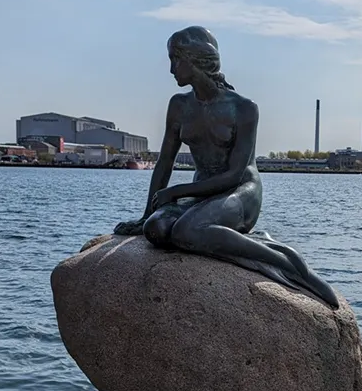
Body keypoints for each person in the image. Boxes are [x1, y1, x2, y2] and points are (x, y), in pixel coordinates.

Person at [114, 27, 338, 308]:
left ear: (197, 59)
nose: (171, 69)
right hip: (204, 194)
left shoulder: (243, 108)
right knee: (156, 228)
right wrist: (146, 214)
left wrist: (178, 192)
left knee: (187, 232)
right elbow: (165, 163)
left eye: (176, 59)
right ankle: (226, 237)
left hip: (241, 191)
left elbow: (233, 174)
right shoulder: (179, 106)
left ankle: (286, 261)